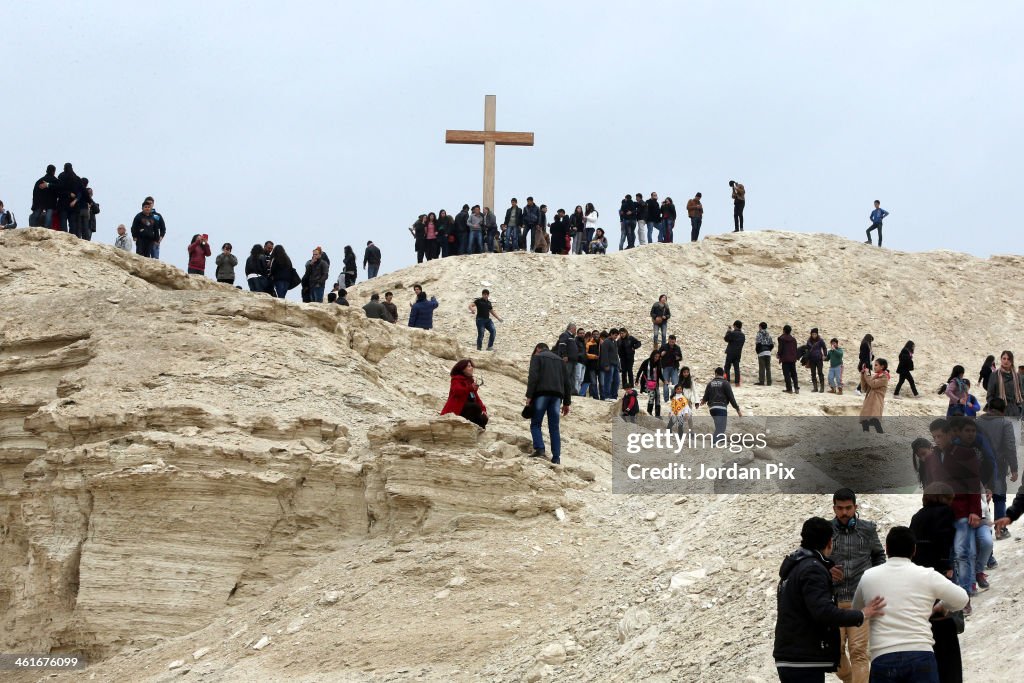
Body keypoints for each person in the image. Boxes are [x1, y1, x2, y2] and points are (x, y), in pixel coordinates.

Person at [774, 517, 886, 683]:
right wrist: (862, 614)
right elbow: (824, 612)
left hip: (791, 656)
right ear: (829, 543)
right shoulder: (812, 569)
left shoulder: (795, 565)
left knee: (858, 652)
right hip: (803, 659)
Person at [852, 526, 968, 682]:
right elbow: (962, 598)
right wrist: (943, 606)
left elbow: (856, 612)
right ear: (914, 550)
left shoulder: (868, 577)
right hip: (920, 654)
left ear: (886, 549)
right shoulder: (927, 575)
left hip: (883, 656)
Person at [909, 483, 964, 683]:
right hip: (939, 577)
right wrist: (947, 566)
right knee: (946, 633)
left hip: (919, 580)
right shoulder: (945, 513)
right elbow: (945, 542)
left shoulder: (917, 516)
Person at [830, 488, 886, 683]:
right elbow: (817, 558)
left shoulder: (867, 529)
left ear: (855, 507)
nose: (844, 513)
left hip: (860, 601)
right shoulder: (826, 531)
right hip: (833, 602)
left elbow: (879, 555)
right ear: (834, 508)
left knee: (859, 652)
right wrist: (825, 571)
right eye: (840, 508)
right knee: (833, 653)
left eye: (848, 508)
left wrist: (874, 577)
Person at [977, 398, 1019, 539]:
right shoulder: (1005, 423)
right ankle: (1000, 530)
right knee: (999, 496)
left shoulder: (977, 422)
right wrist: (1014, 468)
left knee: (983, 497)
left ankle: (983, 529)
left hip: (980, 465)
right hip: (999, 465)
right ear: (1003, 410)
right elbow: (1010, 447)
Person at [525, 342, 573, 464]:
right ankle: (556, 457)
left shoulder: (537, 357)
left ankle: (540, 448)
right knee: (554, 427)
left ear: (538, 349)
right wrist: (567, 403)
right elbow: (567, 383)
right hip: (557, 397)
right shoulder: (560, 361)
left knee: (536, 423)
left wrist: (529, 396)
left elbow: (533, 378)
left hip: (541, 394)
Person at [440, 359, 488, 429]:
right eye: (469, 366)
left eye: (471, 366)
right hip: (458, 409)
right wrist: (470, 388)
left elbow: (476, 398)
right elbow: (457, 391)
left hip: (469, 410)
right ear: (462, 369)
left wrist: (484, 410)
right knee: (474, 407)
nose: (471, 368)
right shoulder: (456, 379)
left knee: (484, 418)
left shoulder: (470, 381)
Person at [699, 367, 742, 438]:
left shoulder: (710, 383)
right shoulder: (725, 383)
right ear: (723, 374)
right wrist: (737, 409)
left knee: (718, 427)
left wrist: (702, 401)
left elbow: (706, 396)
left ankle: (719, 441)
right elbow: (731, 398)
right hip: (721, 408)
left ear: (715, 374)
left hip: (712, 409)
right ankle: (714, 442)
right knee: (721, 428)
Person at [985, 350, 1023, 418]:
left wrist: (1019, 408)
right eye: (1004, 358)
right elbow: (989, 395)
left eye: (1008, 359)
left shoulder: (1017, 376)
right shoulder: (994, 375)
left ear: (1012, 361)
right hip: (999, 412)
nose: (1006, 361)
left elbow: (1021, 394)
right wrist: (995, 410)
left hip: (1014, 412)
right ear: (1001, 359)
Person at [860, 358, 890, 433]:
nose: (874, 367)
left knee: (875, 422)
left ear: (882, 367)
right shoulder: (876, 376)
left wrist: (867, 374)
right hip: (869, 403)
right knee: (864, 422)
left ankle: (881, 437)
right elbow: (865, 388)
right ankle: (865, 437)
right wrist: (863, 375)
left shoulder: (884, 377)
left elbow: (873, 384)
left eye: (876, 365)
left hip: (876, 404)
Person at [30, 164, 58, 228]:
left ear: (46, 171)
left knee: (35, 216)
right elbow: (59, 190)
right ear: (54, 172)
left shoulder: (39, 181)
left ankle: (32, 228)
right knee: (48, 217)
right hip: (51, 202)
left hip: (40, 202)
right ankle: (47, 229)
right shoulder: (55, 181)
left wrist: (34, 204)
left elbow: (35, 193)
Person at [658, 335, 683, 403]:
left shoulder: (677, 348)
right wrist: (661, 354)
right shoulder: (664, 347)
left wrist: (678, 358)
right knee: (666, 384)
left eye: (673, 341)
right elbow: (658, 355)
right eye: (670, 341)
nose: (672, 343)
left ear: (675, 341)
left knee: (675, 384)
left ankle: (673, 398)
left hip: (674, 368)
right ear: (668, 340)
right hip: (665, 368)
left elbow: (681, 357)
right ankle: (666, 400)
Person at [637, 350, 662, 416]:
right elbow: (640, 371)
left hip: (655, 383)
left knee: (658, 396)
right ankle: (649, 412)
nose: (656, 358)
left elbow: (660, 374)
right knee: (652, 395)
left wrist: (664, 380)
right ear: (652, 355)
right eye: (655, 356)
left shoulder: (659, 363)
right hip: (646, 383)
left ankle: (658, 414)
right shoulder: (646, 362)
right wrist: (637, 380)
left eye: (658, 357)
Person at [599, 328, 621, 402]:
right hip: (609, 364)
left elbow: (616, 354)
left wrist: (618, 365)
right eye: (615, 335)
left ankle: (614, 396)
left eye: (617, 336)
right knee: (608, 380)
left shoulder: (614, 342)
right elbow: (604, 354)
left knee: (616, 381)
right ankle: (607, 396)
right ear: (611, 334)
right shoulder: (606, 342)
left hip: (615, 365)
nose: (616, 337)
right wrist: (606, 365)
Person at [777, 325, 800, 394]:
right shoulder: (793, 339)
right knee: (794, 374)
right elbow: (795, 349)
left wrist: (778, 354)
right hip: (792, 359)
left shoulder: (782, 339)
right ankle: (796, 388)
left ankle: (789, 389)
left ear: (784, 330)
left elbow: (781, 348)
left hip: (785, 359)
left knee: (786, 374)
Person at [723, 320, 745, 386]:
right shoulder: (743, 335)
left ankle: (727, 381)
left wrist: (728, 331)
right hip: (738, 353)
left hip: (730, 352)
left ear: (735, 326)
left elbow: (726, 339)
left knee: (727, 367)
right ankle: (737, 382)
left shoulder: (732, 333)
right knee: (736, 368)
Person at [805, 328, 827, 393]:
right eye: (813, 334)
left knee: (820, 373)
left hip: (819, 359)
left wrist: (825, 355)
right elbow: (807, 349)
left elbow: (824, 347)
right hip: (812, 359)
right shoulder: (809, 341)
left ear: (817, 334)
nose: (814, 335)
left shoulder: (820, 340)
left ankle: (822, 388)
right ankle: (815, 388)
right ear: (811, 334)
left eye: (815, 334)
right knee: (813, 373)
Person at [755, 322, 774, 386]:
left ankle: (762, 381)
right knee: (768, 368)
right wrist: (769, 350)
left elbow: (758, 343)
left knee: (762, 368)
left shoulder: (759, 334)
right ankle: (769, 382)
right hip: (768, 352)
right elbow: (771, 344)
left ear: (760, 326)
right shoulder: (768, 334)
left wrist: (758, 351)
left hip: (762, 352)